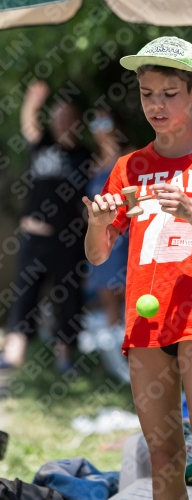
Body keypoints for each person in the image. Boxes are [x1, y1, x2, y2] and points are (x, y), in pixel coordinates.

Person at [83, 36, 192, 500]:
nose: (155, 106)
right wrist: (97, 224)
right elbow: (98, 255)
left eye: (168, 94)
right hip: (145, 323)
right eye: (146, 94)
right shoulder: (130, 166)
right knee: (162, 457)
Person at [1, 80, 91, 372]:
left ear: (77, 122)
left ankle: (65, 360)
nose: (63, 121)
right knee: (26, 296)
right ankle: (12, 358)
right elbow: (28, 124)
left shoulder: (84, 156)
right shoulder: (42, 146)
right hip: (36, 237)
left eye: (68, 117)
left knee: (68, 298)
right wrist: (33, 101)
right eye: (58, 116)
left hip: (69, 239)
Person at [85, 109, 130, 327]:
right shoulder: (92, 165)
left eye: (105, 120)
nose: (100, 127)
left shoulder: (131, 156)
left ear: (117, 124)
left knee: (132, 299)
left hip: (126, 235)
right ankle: (117, 354)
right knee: (107, 299)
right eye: (95, 122)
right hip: (101, 238)